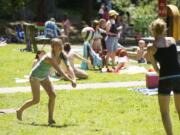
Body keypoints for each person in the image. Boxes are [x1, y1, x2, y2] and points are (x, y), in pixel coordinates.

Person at [16, 38, 76, 125]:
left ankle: (50, 119)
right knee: (36, 100)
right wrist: (71, 80)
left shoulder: (62, 54)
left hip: (44, 76)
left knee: (53, 95)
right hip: (35, 76)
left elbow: (69, 66)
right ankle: (19, 110)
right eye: (58, 45)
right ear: (52, 47)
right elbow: (60, 71)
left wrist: (74, 78)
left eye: (61, 44)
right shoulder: (50, 57)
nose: (60, 46)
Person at [146, 18, 180, 135]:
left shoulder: (151, 47)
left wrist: (162, 75)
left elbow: (156, 68)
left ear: (152, 30)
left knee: (165, 112)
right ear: (164, 29)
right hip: (178, 75)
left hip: (165, 77)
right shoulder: (172, 40)